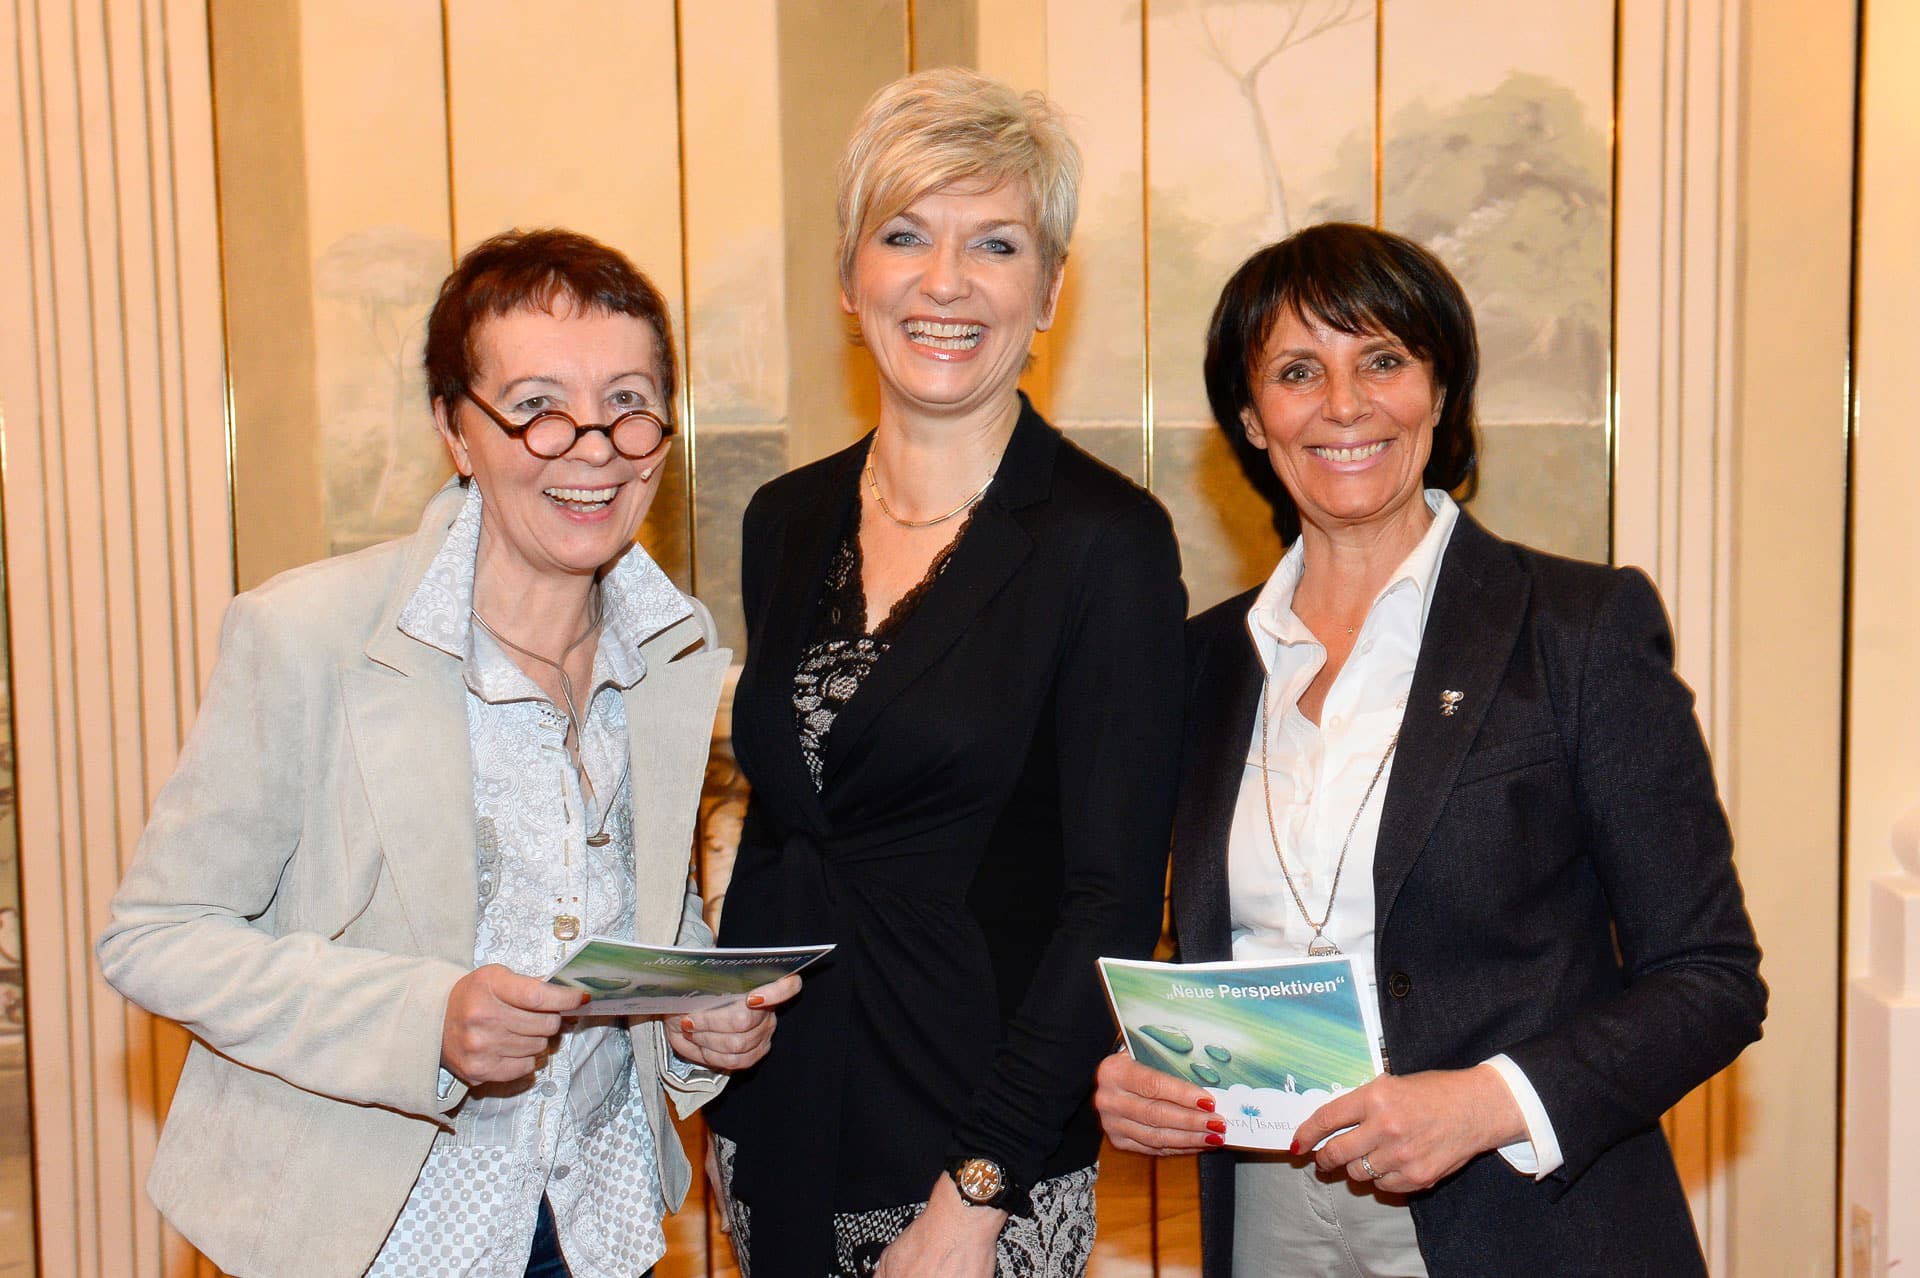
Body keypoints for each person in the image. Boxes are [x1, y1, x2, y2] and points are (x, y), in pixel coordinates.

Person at [96, 228, 798, 1278]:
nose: (593, 446)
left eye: (628, 402)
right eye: (536, 406)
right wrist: (423, 1020)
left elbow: (642, 911)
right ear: (455, 430)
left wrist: (698, 1021)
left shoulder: (673, 646)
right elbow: (156, 936)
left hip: (595, 1223)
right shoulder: (310, 635)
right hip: (373, 1234)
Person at [1092, 223, 1765, 1277]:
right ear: (1251, 420)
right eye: (1298, 372)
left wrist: (1487, 1102)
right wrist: (1139, 1071)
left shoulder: (1577, 630)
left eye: (1383, 361)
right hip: (1266, 1212)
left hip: (1521, 1214)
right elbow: (1204, 946)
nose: (1344, 405)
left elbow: (1710, 977)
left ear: (1440, 391)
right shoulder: (1202, 663)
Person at [704, 68, 1186, 1278]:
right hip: (774, 1125)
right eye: (905, 234)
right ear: (849, 274)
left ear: (1050, 288)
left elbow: (1111, 904)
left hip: (974, 1153)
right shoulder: (784, 520)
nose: (946, 281)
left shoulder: (1106, 543)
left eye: (997, 243)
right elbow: (784, 824)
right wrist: (709, 1006)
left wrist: (978, 1190)